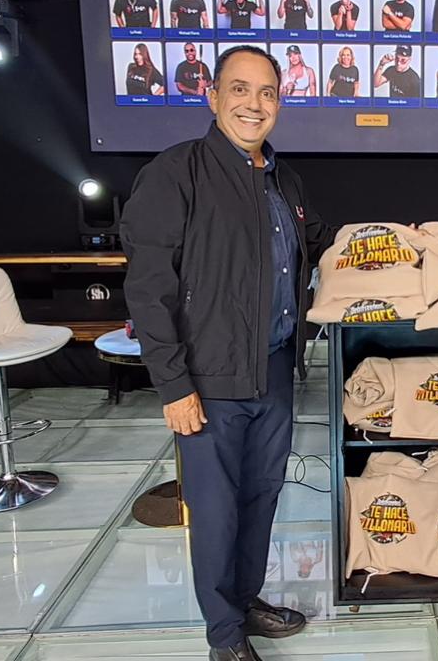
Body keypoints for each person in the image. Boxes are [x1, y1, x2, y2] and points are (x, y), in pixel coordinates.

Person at [122, 44, 335, 661]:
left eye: (267, 92)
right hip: (207, 378)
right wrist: (174, 386)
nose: (254, 104)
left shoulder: (284, 180)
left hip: (273, 368)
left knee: (260, 496)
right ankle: (224, 637)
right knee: (215, 511)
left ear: (280, 103)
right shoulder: (176, 172)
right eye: (239, 89)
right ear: (213, 96)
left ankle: (244, 602)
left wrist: (398, 244)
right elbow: (149, 287)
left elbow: (322, 243)